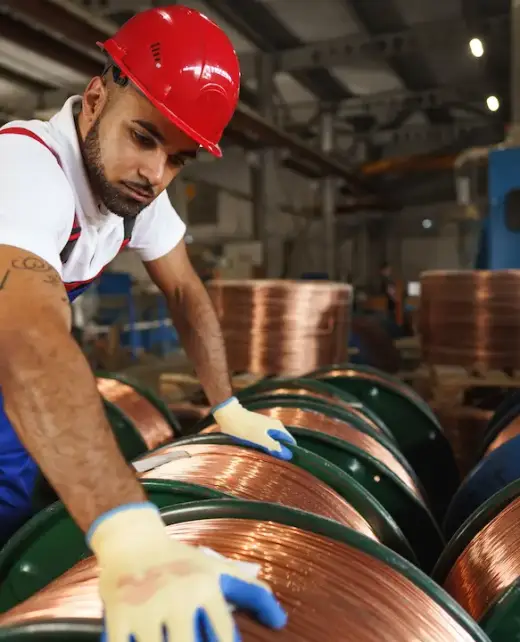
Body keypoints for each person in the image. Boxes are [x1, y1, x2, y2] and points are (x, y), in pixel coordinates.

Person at [0, 6, 295, 641]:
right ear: (96, 97)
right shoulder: (24, 172)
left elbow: (186, 290)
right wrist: (131, 535)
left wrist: (228, 405)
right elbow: (26, 338)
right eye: (144, 137)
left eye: (179, 157)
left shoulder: (133, 192)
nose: (155, 173)